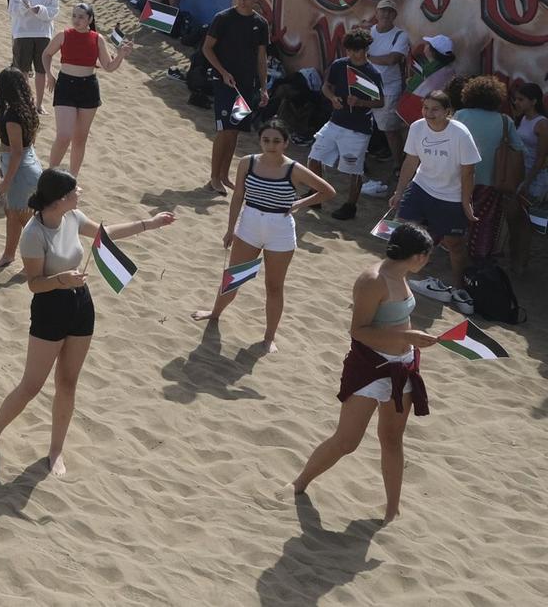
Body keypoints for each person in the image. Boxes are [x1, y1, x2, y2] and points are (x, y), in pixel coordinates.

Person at [0, 170, 174, 474]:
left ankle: (56, 451)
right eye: (72, 190)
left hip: (81, 304)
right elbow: (34, 284)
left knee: (67, 383)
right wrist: (61, 279)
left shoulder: (73, 216)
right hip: (49, 308)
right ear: (58, 200)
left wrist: (150, 223)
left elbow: (104, 233)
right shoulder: (33, 234)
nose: (78, 191)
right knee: (31, 385)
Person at [291, 222, 445, 522]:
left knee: (392, 439)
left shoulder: (400, 275)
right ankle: (300, 482)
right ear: (417, 257)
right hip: (370, 367)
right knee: (347, 441)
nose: (427, 262)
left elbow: (398, 320)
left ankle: (391, 510)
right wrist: (407, 338)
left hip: (402, 366)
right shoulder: (372, 280)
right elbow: (359, 331)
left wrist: (411, 339)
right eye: (427, 256)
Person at [192, 122, 335, 349]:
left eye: (276, 141)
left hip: (279, 229)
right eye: (266, 140)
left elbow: (328, 191)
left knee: (274, 286)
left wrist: (300, 203)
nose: (271, 145)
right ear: (260, 141)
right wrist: (230, 229)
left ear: (286, 143)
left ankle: (269, 337)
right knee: (234, 276)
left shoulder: (294, 169)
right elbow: (238, 195)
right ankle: (215, 312)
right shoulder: (247, 162)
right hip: (249, 223)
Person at [388, 88, 481, 313]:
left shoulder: (461, 134)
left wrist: (466, 203)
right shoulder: (417, 127)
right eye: (425, 108)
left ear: (448, 111)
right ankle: (395, 282)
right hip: (421, 187)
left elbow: (469, 172)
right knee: (404, 233)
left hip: (450, 196)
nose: (428, 113)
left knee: (454, 245)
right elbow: (410, 161)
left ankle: (459, 288)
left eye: (435, 109)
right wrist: (399, 192)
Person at [201, 0, 269, 191]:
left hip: (246, 85)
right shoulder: (223, 18)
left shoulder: (260, 24)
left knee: (234, 131)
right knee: (224, 130)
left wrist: (264, 87)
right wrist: (223, 72)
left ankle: (224, 175)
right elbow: (207, 48)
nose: (241, 1)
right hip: (224, 83)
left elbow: (261, 58)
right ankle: (214, 178)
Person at [450, 75, 520, 274]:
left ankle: (455, 252)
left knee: (457, 216)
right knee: (485, 220)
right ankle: (479, 258)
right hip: (492, 180)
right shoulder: (505, 121)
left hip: (461, 177)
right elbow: (518, 148)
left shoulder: (461, 115)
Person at [44, 3, 125, 175]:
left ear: (90, 19)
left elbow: (109, 67)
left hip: (88, 88)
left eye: (81, 17)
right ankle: (50, 174)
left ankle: (72, 178)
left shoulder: (97, 38)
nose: (76, 20)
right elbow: (46, 54)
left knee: (80, 139)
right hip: (66, 85)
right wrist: (49, 74)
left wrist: (122, 55)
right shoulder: (63, 35)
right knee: (64, 135)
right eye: (74, 16)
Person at [310, 28, 382, 219]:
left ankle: (351, 206)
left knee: (354, 169)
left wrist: (360, 102)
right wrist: (333, 98)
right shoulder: (339, 65)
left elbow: (380, 102)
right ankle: (317, 194)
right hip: (335, 121)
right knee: (314, 157)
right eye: (350, 50)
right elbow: (326, 86)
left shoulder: (372, 73)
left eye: (357, 50)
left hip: (358, 128)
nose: (353, 54)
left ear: (366, 49)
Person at [0, 69, 45, 267]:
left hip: (21, 172)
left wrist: (6, 182)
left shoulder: (12, 117)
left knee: (26, 221)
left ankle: (39, 261)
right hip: (28, 167)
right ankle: (8, 254)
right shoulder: (26, 109)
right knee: (12, 215)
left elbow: (16, 152)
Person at [365, 1, 411, 193]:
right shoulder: (368, 32)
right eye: (382, 10)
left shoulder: (401, 35)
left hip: (388, 89)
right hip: (365, 85)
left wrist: (367, 57)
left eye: (390, 11)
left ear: (394, 16)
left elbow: (393, 59)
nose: (385, 14)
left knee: (390, 130)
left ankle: (398, 164)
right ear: (376, 12)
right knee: (362, 126)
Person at [7, 0, 59, 107]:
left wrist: (39, 10)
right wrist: (24, 7)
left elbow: (54, 9)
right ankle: (25, 102)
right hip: (23, 32)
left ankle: (39, 104)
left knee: (41, 70)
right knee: (22, 70)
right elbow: (12, 8)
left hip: (43, 32)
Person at [512, 81, 548, 270]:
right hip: (520, 173)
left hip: (534, 177)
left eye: (521, 99)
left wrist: (528, 181)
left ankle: (522, 261)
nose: (517, 102)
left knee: (526, 222)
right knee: (516, 219)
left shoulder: (541, 124)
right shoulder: (523, 119)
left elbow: (541, 158)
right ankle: (516, 256)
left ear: (533, 101)